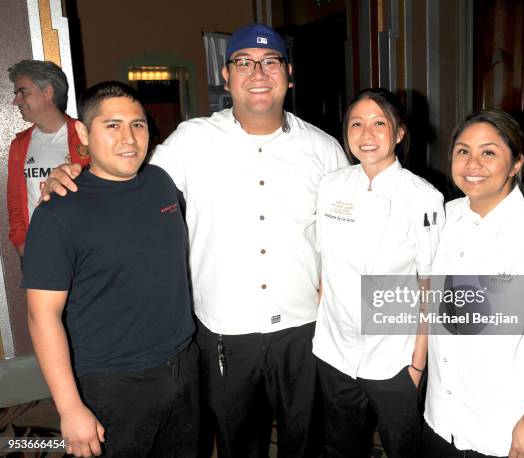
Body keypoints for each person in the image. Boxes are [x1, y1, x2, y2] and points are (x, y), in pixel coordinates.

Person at [40, 24, 348, 458]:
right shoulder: (191, 140)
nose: (257, 72)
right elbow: (126, 174)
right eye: (244, 62)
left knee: (305, 438)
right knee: (237, 441)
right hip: (222, 331)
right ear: (227, 76)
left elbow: (347, 229)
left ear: (288, 74)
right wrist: (72, 171)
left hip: (303, 328)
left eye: (270, 62)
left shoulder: (325, 149)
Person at [22, 81, 198, 458]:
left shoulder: (161, 183)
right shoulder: (58, 212)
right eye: (112, 125)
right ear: (84, 132)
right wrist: (70, 408)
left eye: (137, 125)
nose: (129, 138)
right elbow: (41, 316)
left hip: (184, 367)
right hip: (112, 384)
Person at [424, 111, 524, 457]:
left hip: (507, 424)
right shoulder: (445, 217)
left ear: (515, 164)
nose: (472, 163)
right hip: (444, 413)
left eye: (489, 152)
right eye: (463, 151)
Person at [313, 88, 444, 457]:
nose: (366, 134)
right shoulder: (332, 185)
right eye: (357, 124)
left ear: (399, 132)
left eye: (378, 124)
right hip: (335, 352)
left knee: (402, 447)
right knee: (340, 445)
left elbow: (430, 284)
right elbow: (324, 260)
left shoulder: (424, 197)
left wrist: (417, 364)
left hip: (394, 355)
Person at [7, 60, 90, 259]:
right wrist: (21, 243)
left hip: (83, 250)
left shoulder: (85, 136)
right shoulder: (19, 145)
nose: (16, 101)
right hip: (38, 249)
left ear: (48, 92)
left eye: (23, 92)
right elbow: (15, 203)